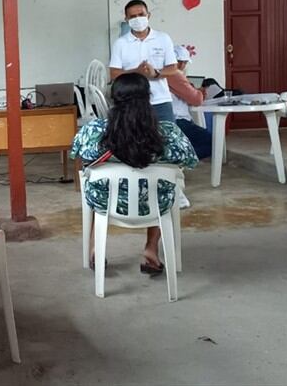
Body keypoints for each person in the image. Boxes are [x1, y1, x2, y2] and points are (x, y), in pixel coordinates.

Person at [71, 73, 197, 274]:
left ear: (114, 99)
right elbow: (189, 160)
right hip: (155, 205)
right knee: (164, 187)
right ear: (148, 98)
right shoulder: (168, 132)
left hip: (108, 204)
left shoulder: (93, 131)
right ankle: (151, 249)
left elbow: (77, 154)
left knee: (96, 183)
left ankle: (96, 249)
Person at [109, 0, 178, 122]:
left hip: (160, 100)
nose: (138, 19)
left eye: (141, 15)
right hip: (130, 102)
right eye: (133, 16)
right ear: (126, 19)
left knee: (167, 138)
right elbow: (114, 74)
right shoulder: (120, 43)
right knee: (132, 139)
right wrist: (136, 72)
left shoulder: (163, 38)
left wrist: (156, 73)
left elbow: (173, 69)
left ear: (148, 15)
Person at [168, 45, 213, 160]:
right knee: (212, 143)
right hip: (178, 121)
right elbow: (196, 100)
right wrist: (200, 93)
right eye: (184, 63)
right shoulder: (174, 75)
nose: (184, 66)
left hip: (170, 120)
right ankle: (178, 159)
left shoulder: (162, 73)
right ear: (180, 63)